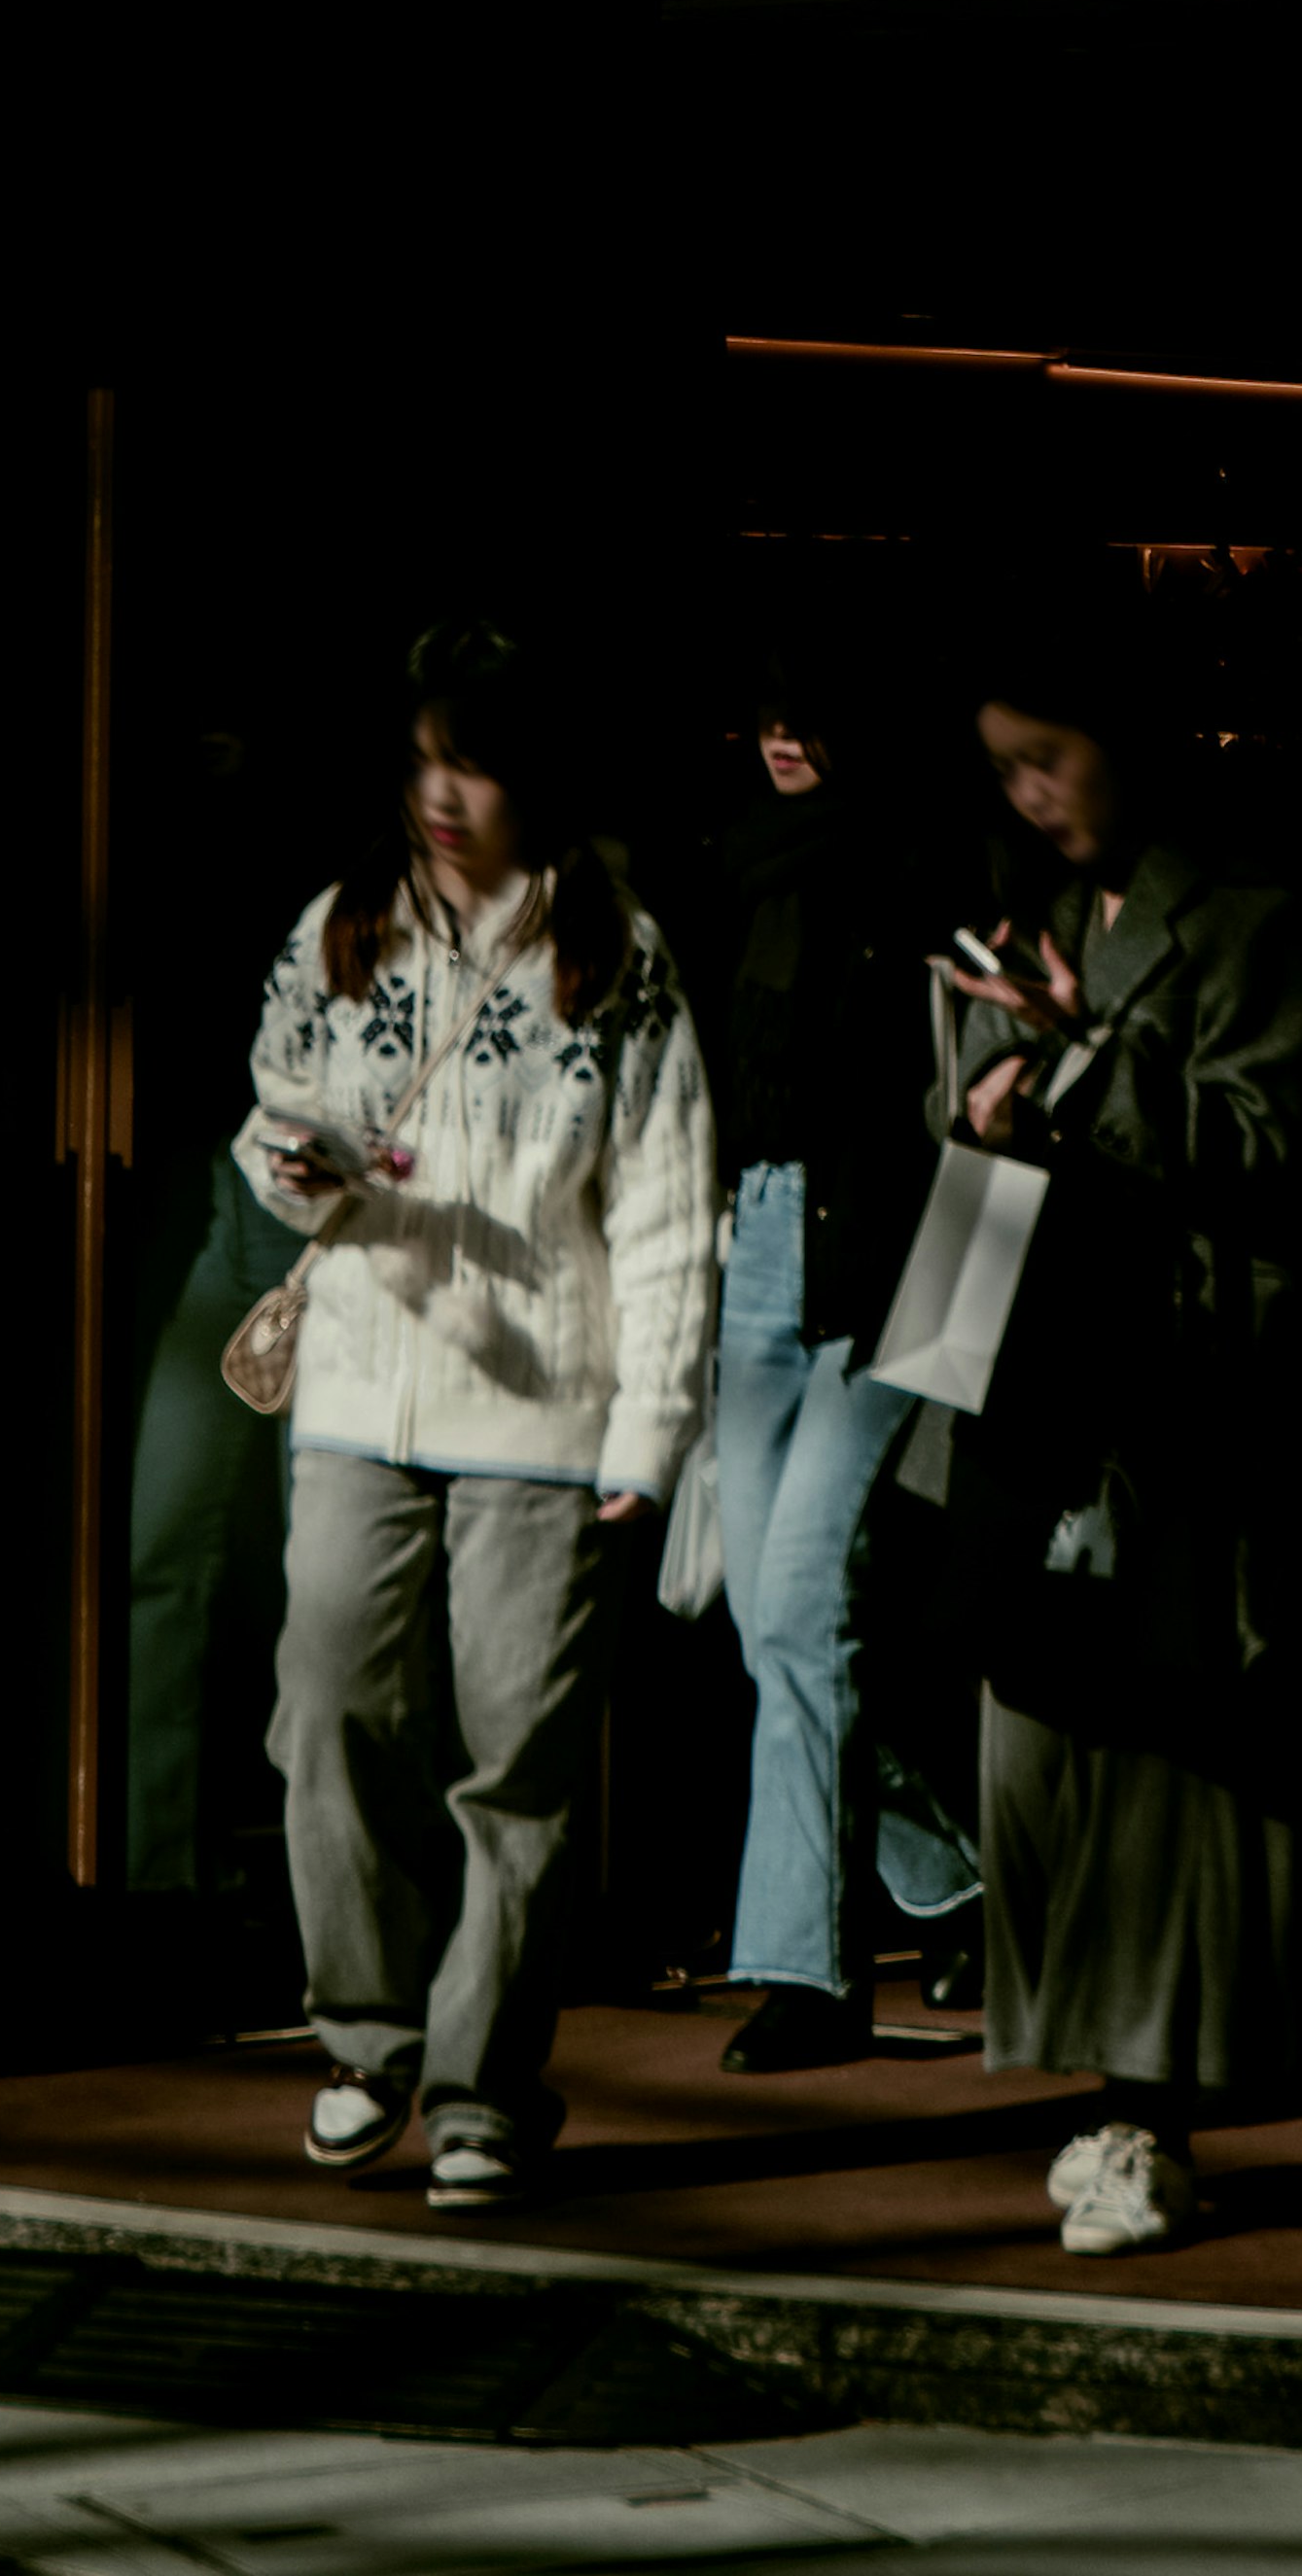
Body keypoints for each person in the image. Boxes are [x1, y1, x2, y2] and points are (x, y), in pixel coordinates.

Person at [244, 623, 715, 2218]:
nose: (443, 791)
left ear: (539, 778)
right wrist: (291, 1162)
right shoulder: (345, 922)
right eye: (426, 753)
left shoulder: (621, 953)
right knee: (326, 1705)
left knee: (516, 1756)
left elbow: (663, 1205)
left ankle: (482, 2085)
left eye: (480, 760)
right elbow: (274, 1095)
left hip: (542, 1408)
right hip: (362, 1377)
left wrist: (649, 1432)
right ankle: (369, 2034)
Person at [927, 585, 1302, 2262]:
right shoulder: (1021, 917)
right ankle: (1105, 2098)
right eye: (1004, 766)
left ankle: (1149, 2111)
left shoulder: (1243, 919)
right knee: (1045, 1745)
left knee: (1156, 1764)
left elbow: (1277, 1152)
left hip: (1171, 1396)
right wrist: (978, 1102)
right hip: (1037, 1387)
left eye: (1049, 756)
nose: (1027, 793)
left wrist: (1088, 1065)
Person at [703, 655, 977, 2066]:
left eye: (812, 707)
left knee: (804, 1602)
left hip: (891, 1269)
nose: (786, 736)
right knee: (772, 1619)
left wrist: (958, 1333)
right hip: (754, 1248)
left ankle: (808, 1972)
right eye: (764, 710)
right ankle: (943, 1872)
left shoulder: (924, 867)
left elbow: (988, 1098)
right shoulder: (732, 873)